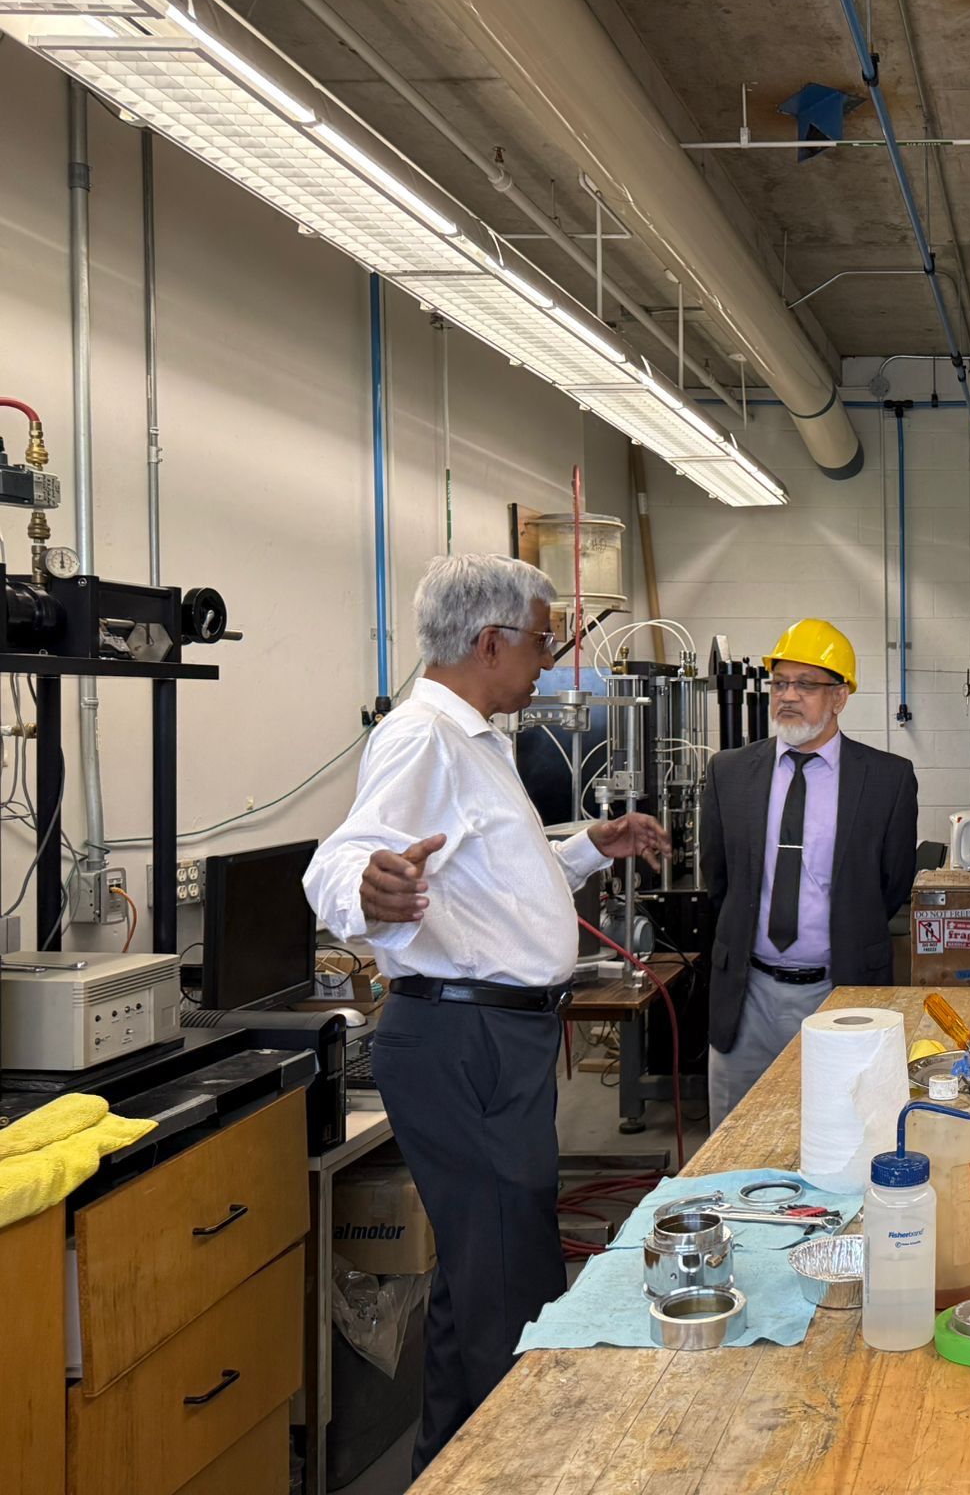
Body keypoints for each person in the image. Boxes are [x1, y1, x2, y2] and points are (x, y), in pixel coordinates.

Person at [304, 554, 671, 1475]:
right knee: (514, 1286)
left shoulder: (475, 739)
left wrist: (590, 845)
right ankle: (523, 1468)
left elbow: (495, 874)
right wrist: (368, 890)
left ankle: (445, 1464)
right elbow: (336, 862)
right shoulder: (424, 737)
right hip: (463, 1040)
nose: (550, 659)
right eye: (544, 640)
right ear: (490, 641)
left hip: (493, 1038)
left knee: (480, 1278)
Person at [700, 618, 918, 1126]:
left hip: (840, 991)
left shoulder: (887, 779)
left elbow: (890, 886)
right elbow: (720, 879)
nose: (788, 696)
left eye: (806, 685)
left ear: (840, 696)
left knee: (843, 1139)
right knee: (734, 1141)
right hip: (747, 997)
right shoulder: (729, 773)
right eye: (780, 683)